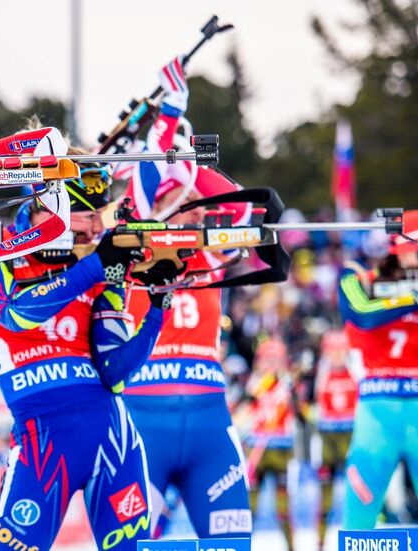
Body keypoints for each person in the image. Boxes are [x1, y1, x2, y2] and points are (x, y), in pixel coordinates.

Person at [0, 153, 180, 550]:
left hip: (112, 439)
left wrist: (157, 306)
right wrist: (95, 267)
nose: (97, 227)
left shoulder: (96, 263)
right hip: (40, 444)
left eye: (102, 215)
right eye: (86, 215)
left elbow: (114, 371)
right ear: (48, 204)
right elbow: (14, 314)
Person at [116, 55, 252, 540]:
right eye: (185, 209)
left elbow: (246, 210)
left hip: (209, 427)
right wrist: (169, 120)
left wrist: (195, 173)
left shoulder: (211, 255)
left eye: (198, 212)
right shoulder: (130, 241)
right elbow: (150, 189)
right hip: (141, 426)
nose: (195, 219)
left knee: (233, 544)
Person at [337, 209, 418, 529]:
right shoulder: (357, 276)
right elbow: (362, 313)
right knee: (359, 516)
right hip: (376, 411)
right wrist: (413, 297)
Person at [241, 337, 297, 551]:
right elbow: (244, 408)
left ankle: (291, 547)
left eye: (276, 360)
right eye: (267, 359)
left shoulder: (288, 383)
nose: (271, 364)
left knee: (283, 508)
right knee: (249, 507)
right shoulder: (253, 382)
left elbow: (299, 410)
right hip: (256, 449)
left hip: (282, 449)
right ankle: (242, 545)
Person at [313, 329, 357, 549]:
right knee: (326, 495)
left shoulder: (355, 371)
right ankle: (320, 541)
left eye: (340, 350)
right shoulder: (321, 373)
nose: (337, 355)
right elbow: (315, 405)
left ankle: (359, 537)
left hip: (351, 436)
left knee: (357, 490)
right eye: (333, 351)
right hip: (328, 438)